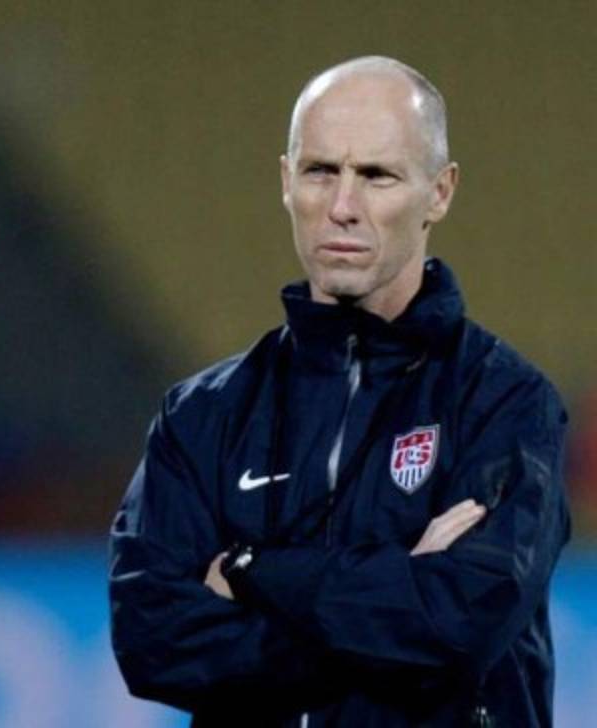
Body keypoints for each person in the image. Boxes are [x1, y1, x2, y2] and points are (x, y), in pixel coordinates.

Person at [108, 56, 570, 727]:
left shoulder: (505, 403)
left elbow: (460, 626)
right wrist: (395, 596)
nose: (343, 207)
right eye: (320, 171)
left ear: (440, 192)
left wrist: (253, 571)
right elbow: (152, 641)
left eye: (377, 176)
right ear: (285, 181)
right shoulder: (202, 415)